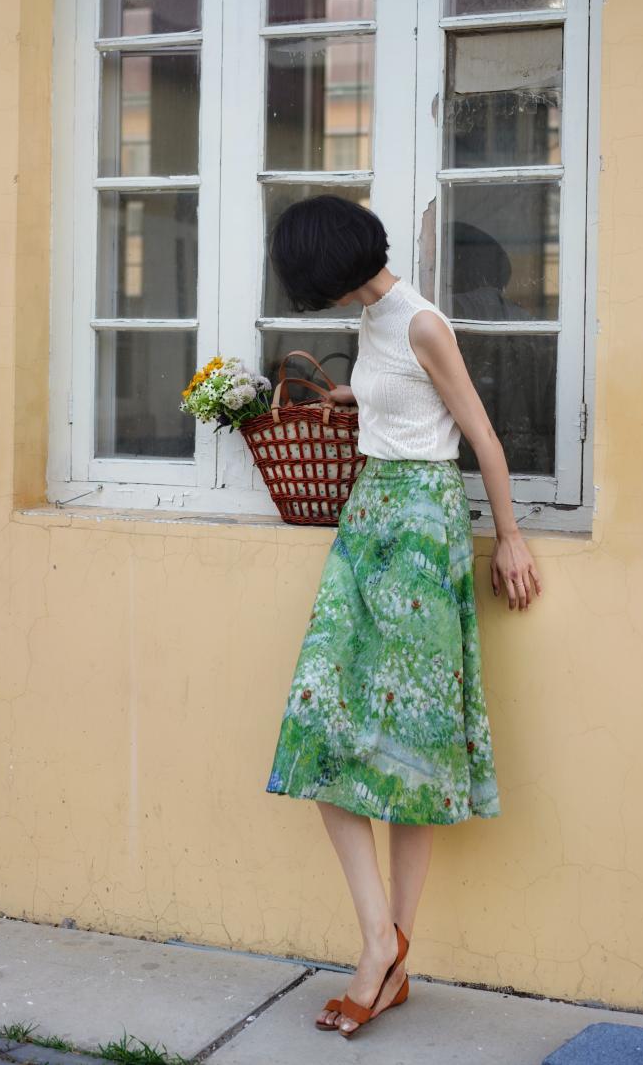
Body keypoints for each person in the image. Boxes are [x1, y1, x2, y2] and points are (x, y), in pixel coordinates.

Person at [263, 194, 542, 1038]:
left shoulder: (421, 321)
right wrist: (355, 401)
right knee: (318, 725)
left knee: (411, 747)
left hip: (420, 529)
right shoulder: (373, 320)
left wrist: (511, 538)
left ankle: (385, 958)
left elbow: (480, 434)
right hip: (366, 518)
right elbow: (401, 406)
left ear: (333, 268)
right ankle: (381, 939)